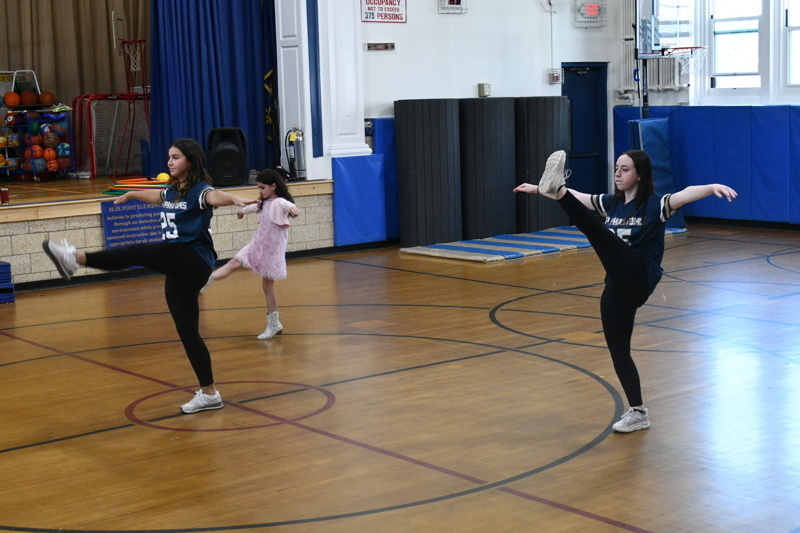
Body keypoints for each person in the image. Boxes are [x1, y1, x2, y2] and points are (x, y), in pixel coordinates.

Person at [513, 150, 737, 433]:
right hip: (617, 283)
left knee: (597, 233)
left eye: (625, 169)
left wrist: (711, 187)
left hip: (640, 273)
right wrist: (536, 189)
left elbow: (686, 193)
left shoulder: (656, 205)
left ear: (640, 175)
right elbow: (581, 198)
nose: (618, 174)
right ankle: (638, 412)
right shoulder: (611, 204)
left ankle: (557, 191)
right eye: (616, 168)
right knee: (618, 351)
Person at [42, 138, 256, 415]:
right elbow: (155, 196)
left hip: (194, 260)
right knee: (188, 334)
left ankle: (76, 259)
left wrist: (235, 198)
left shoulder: (201, 190)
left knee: (142, 251)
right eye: (169, 156)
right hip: (177, 267)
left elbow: (215, 197)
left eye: (176, 157)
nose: (169, 161)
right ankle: (210, 393)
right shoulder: (172, 190)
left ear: (190, 160)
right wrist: (131, 195)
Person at [200, 168, 300, 340]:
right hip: (256, 244)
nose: (260, 191)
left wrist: (293, 208)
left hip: (271, 250)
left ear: (274, 186)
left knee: (267, 287)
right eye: (259, 188)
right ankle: (205, 281)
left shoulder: (279, 202)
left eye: (262, 188)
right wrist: (242, 211)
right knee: (234, 262)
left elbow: (286, 204)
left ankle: (274, 324)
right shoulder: (264, 203)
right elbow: (254, 206)